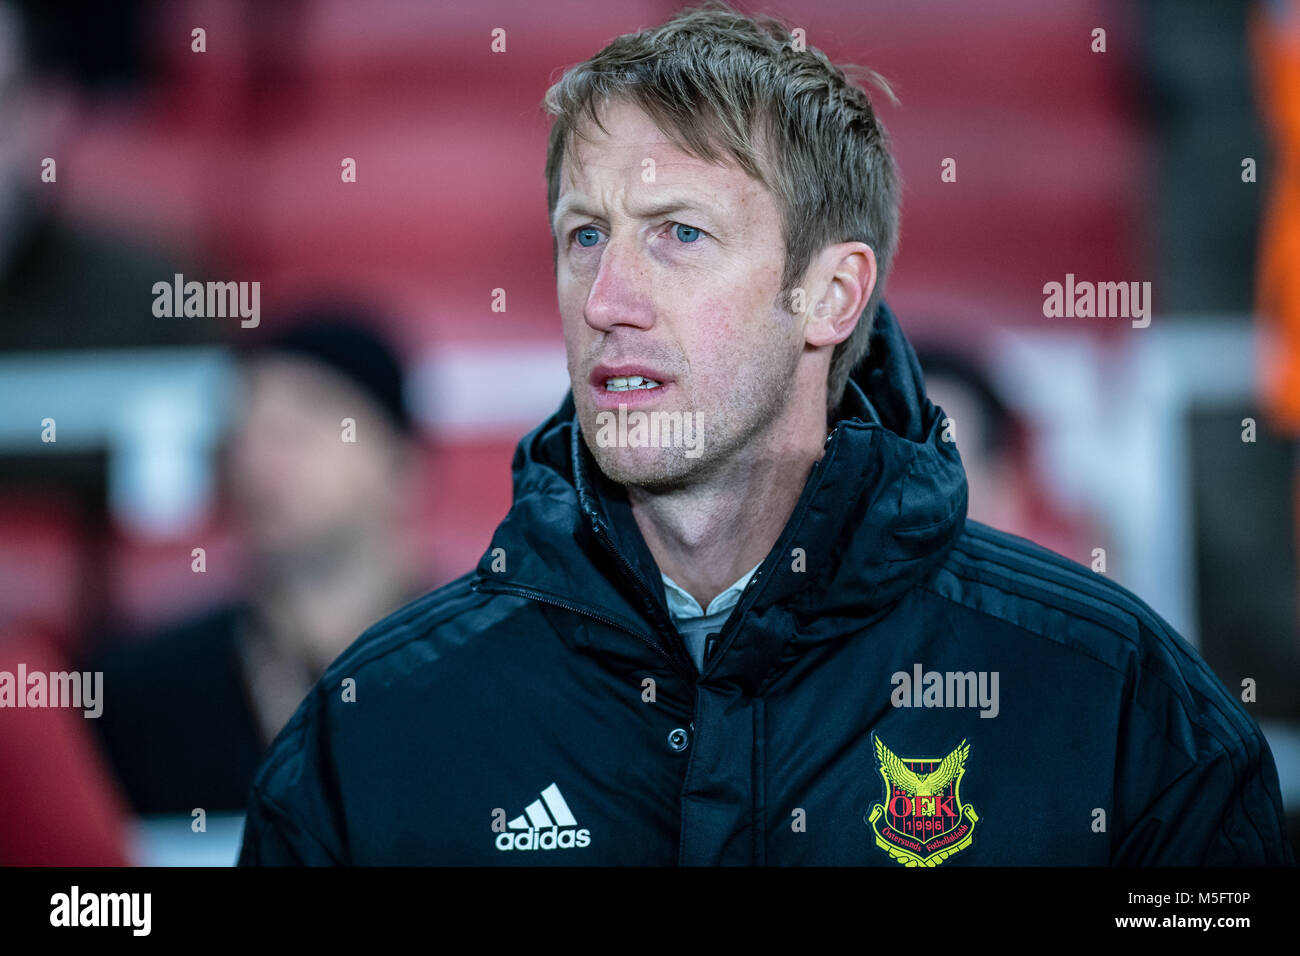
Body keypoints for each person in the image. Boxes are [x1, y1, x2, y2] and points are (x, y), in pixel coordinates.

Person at [238, 4, 1292, 865]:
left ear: (829, 295)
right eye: (584, 234)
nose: (607, 297)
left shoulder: (1112, 699)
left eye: (680, 235)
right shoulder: (376, 726)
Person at [90, 311, 423, 814]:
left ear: (401, 464)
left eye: (304, 422)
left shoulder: (494, 671)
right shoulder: (142, 695)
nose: (262, 457)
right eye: (246, 428)